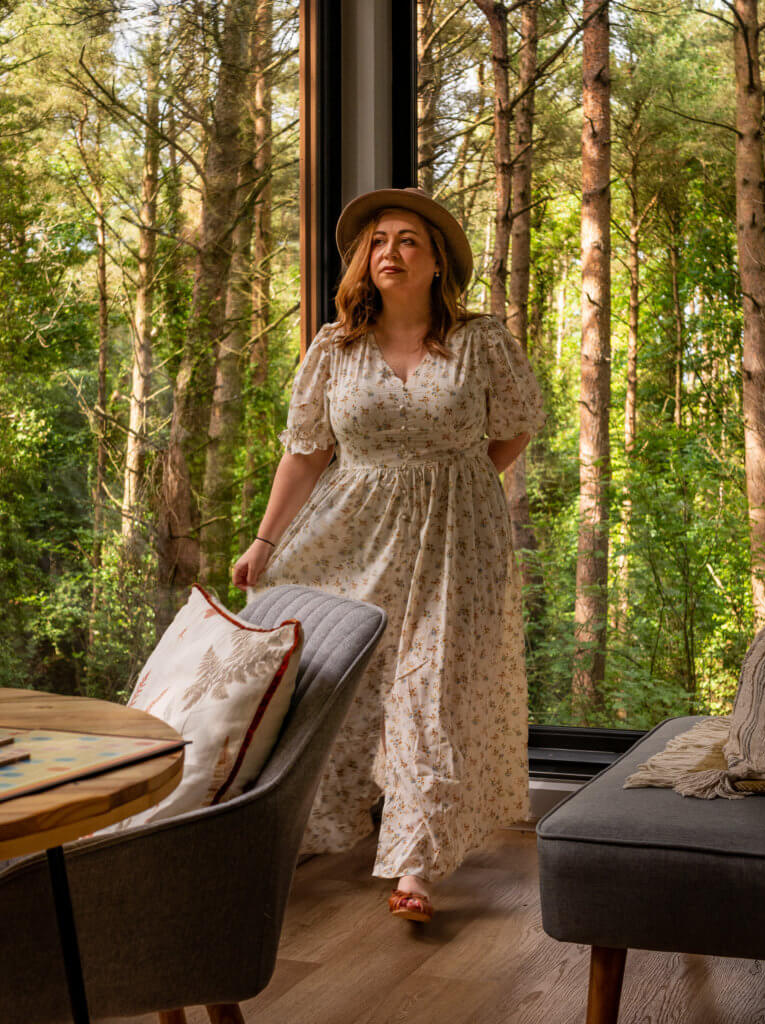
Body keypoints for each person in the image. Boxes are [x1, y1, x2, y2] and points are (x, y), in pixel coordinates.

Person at [232, 187, 544, 923]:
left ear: (437, 263)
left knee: (431, 689)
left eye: (408, 240)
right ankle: (302, 823)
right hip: (352, 530)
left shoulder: (482, 341)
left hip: (458, 538)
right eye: (377, 241)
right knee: (334, 678)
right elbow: (306, 454)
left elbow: (516, 426)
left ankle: (416, 863)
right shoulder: (334, 348)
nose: (390, 253)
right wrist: (265, 540)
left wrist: (455, 481)